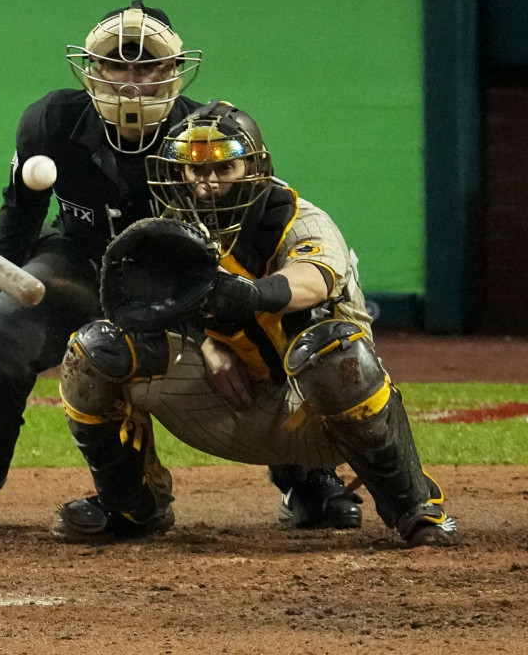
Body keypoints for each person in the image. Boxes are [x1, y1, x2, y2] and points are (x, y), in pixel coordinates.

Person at [52, 101, 459, 547]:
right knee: (94, 352)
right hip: (228, 400)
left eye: (221, 168)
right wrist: (206, 345)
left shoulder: (297, 219)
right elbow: (150, 312)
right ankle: (131, 506)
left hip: (314, 411)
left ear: (253, 168)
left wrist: (251, 295)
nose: (205, 183)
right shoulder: (173, 228)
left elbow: (314, 280)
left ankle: (415, 509)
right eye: (192, 170)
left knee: (333, 350)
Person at [0, 1, 204, 531]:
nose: (131, 83)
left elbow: (240, 245)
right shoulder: (53, 123)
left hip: (182, 283)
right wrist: (8, 295)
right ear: (93, 70)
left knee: (266, 339)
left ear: (171, 72)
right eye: (117, 66)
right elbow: (20, 215)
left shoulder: (206, 136)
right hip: (79, 265)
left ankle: (308, 484)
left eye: (146, 67)